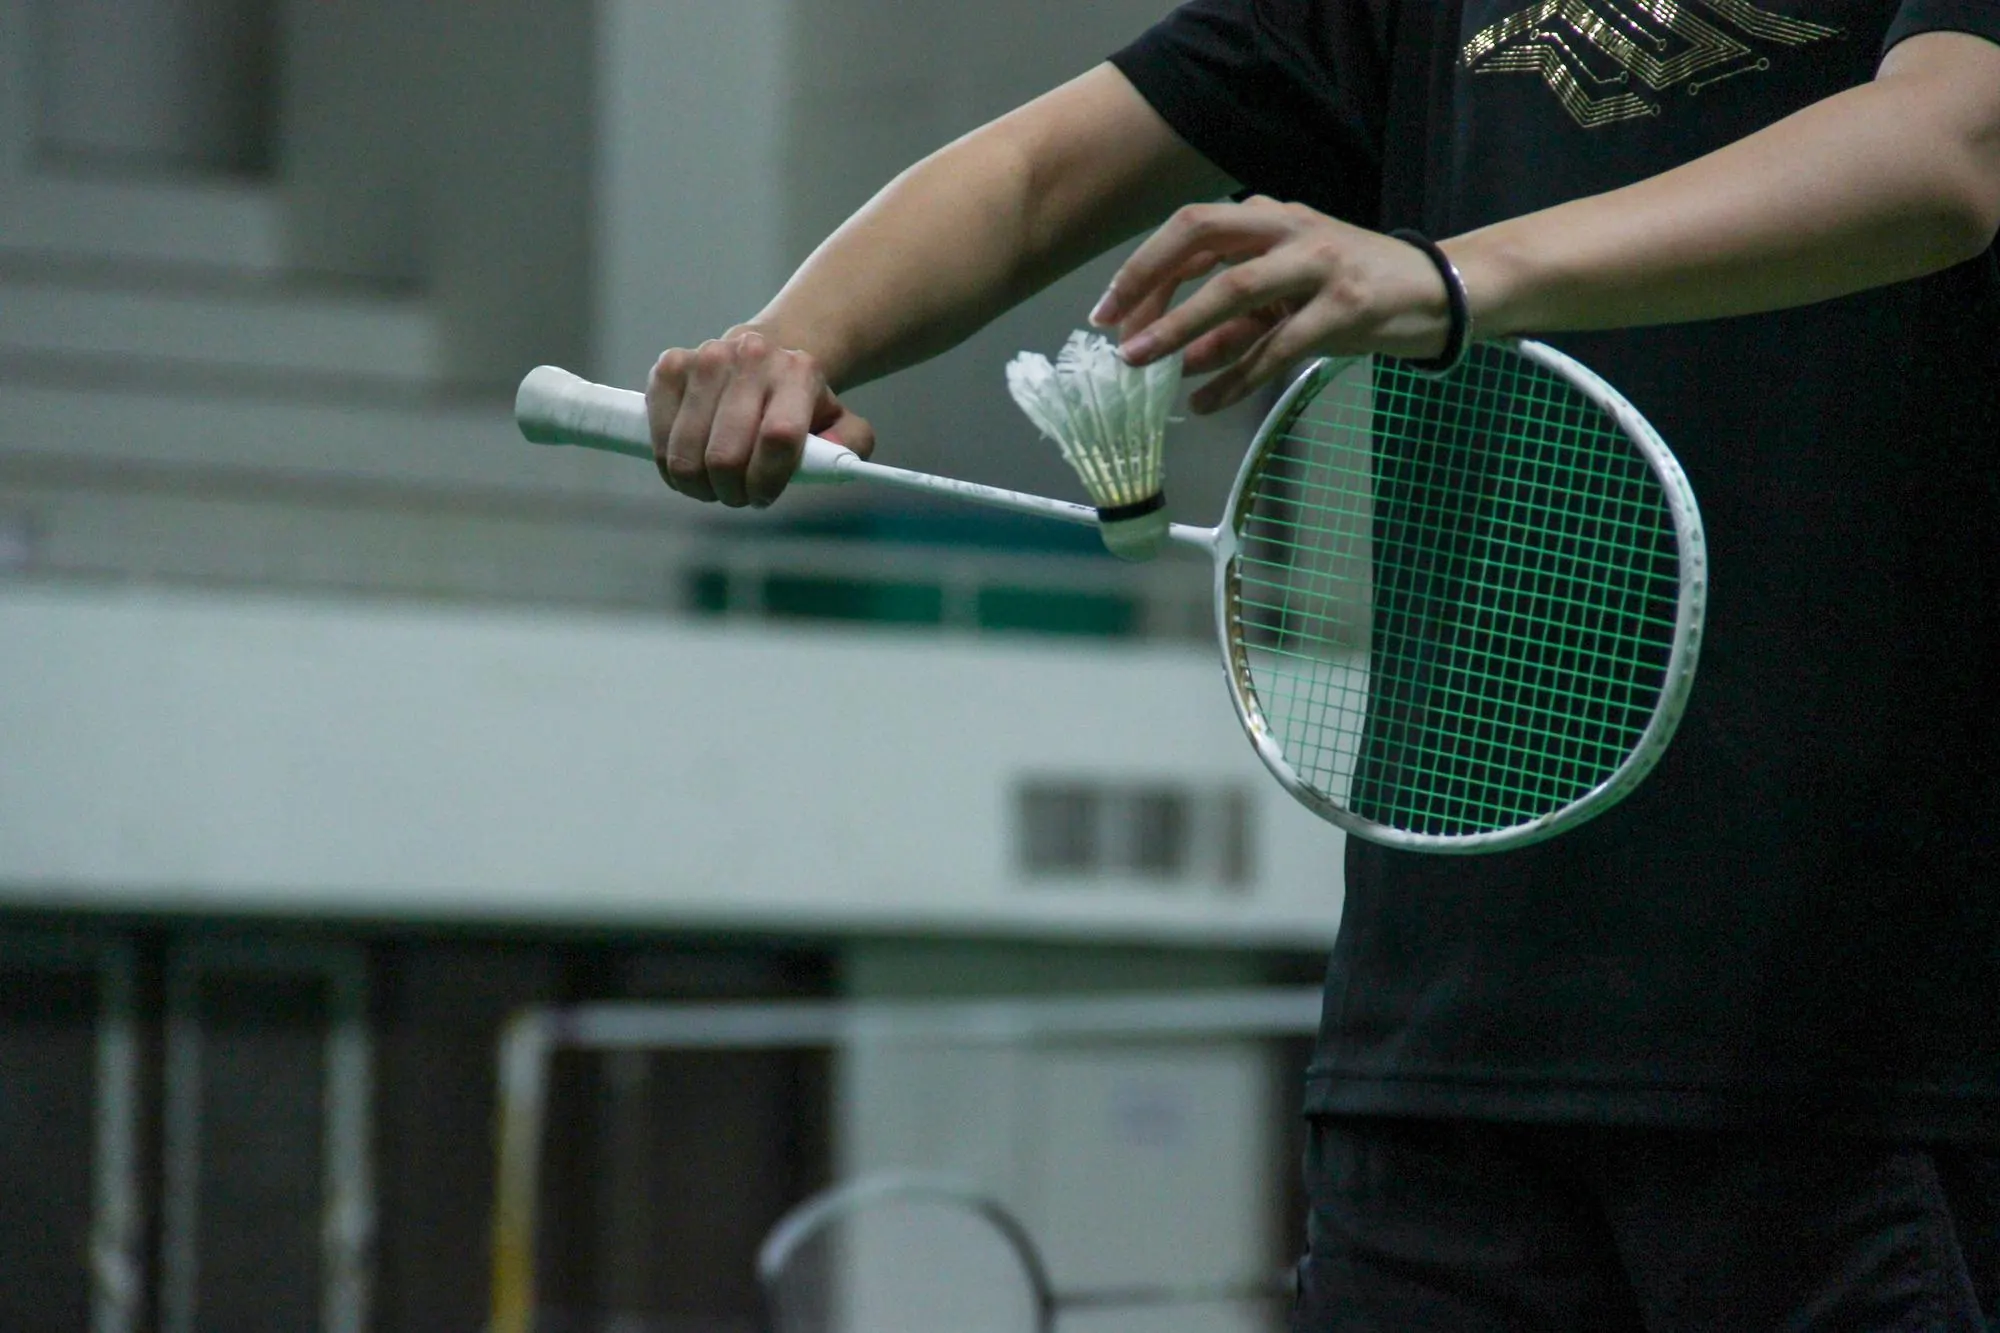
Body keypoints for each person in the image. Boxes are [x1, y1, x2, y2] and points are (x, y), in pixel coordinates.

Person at [647, 3, 2000, 1328]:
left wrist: (1448, 275)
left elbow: (1950, 149)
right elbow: (1037, 170)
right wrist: (789, 342)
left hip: (1864, 1059)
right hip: (1439, 1058)